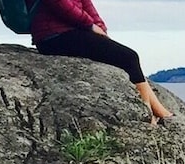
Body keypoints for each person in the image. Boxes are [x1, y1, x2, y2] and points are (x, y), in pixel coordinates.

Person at [27, 0, 175, 124]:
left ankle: (159, 110)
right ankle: (147, 114)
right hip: (53, 36)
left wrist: (100, 28)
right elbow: (60, 4)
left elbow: (87, 4)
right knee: (129, 57)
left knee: (125, 58)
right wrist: (90, 25)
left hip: (72, 31)